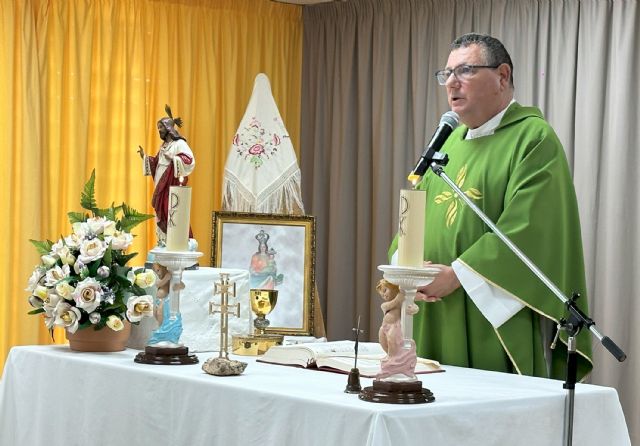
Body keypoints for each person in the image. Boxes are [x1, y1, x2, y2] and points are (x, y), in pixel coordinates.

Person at [389, 33, 592, 381]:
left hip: (490, 317)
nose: (451, 82)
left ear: (502, 76)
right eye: (446, 73)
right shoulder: (445, 143)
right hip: (430, 310)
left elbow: (531, 230)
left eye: (465, 70)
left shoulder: (533, 139)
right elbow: (411, 221)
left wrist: (456, 276)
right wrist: (407, 269)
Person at [138, 105, 195, 245]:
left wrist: (174, 158)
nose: (159, 131)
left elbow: (189, 160)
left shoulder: (179, 144)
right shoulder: (164, 146)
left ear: (168, 128)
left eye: (161, 128)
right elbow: (157, 161)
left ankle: (178, 242)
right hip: (160, 180)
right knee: (160, 210)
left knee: (170, 210)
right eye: (158, 128)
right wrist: (145, 158)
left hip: (171, 184)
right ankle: (163, 242)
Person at [375, 279, 419, 380]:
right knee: (383, 342)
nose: (383, 295)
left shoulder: (402, 301)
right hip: (384, 326)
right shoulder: (385, 305)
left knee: (391, 341)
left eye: (385, 290)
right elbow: (391, 305)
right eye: (381, 294)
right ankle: (391, 358)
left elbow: (414, 306)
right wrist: (398, 299)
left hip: (395, 327)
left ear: (394, 287)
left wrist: (413, 309)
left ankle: (393, 360)